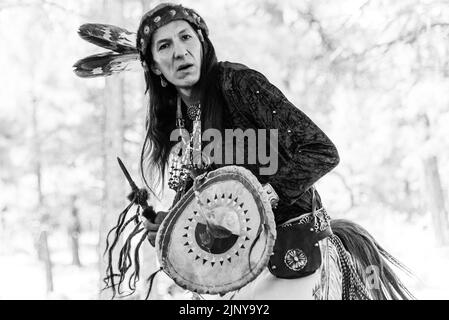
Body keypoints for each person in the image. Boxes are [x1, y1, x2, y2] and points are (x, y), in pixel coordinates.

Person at [75, 2, 414, 300]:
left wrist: (261, 195)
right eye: (164, 46)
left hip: (288, 249)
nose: (179, 51)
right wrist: (168, 224)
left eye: (186, 37)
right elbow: (204, 202)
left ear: (203, 44)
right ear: (155, 68)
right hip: (229, 263)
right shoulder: (179, 121)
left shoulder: (237, 83)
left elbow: (321, 150)